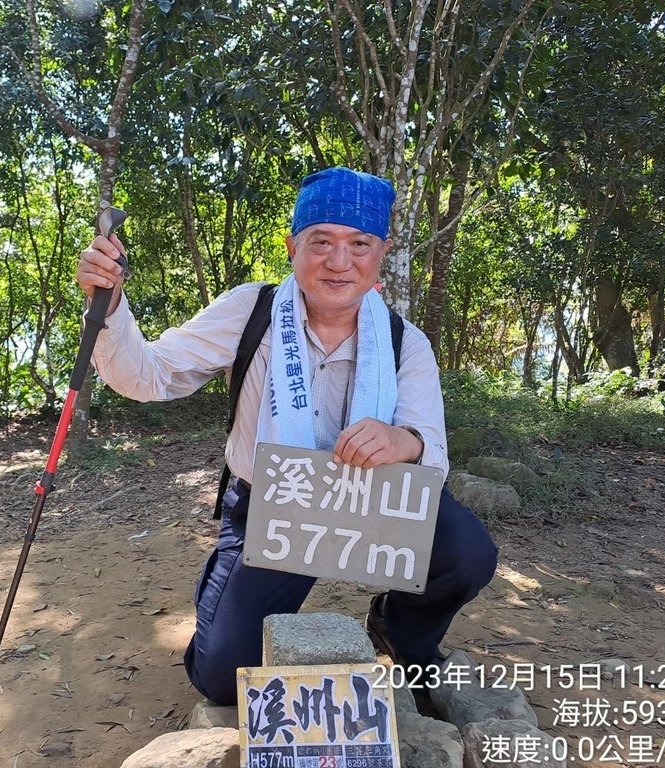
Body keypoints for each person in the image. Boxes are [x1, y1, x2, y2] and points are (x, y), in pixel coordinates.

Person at [76, 167, 498, 706]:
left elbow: (430, 448)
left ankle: (401, 629)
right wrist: (109, 306)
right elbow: (149, 376)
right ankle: (224, 604)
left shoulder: (402, 341)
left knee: (467, 552)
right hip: (277, 505)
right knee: (222, 677)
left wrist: (402, 442)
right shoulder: (252, 311)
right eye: (320, 241)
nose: (339, 261)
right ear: (292, 246)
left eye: (359, 244)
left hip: (376, 503)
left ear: (381, 255)